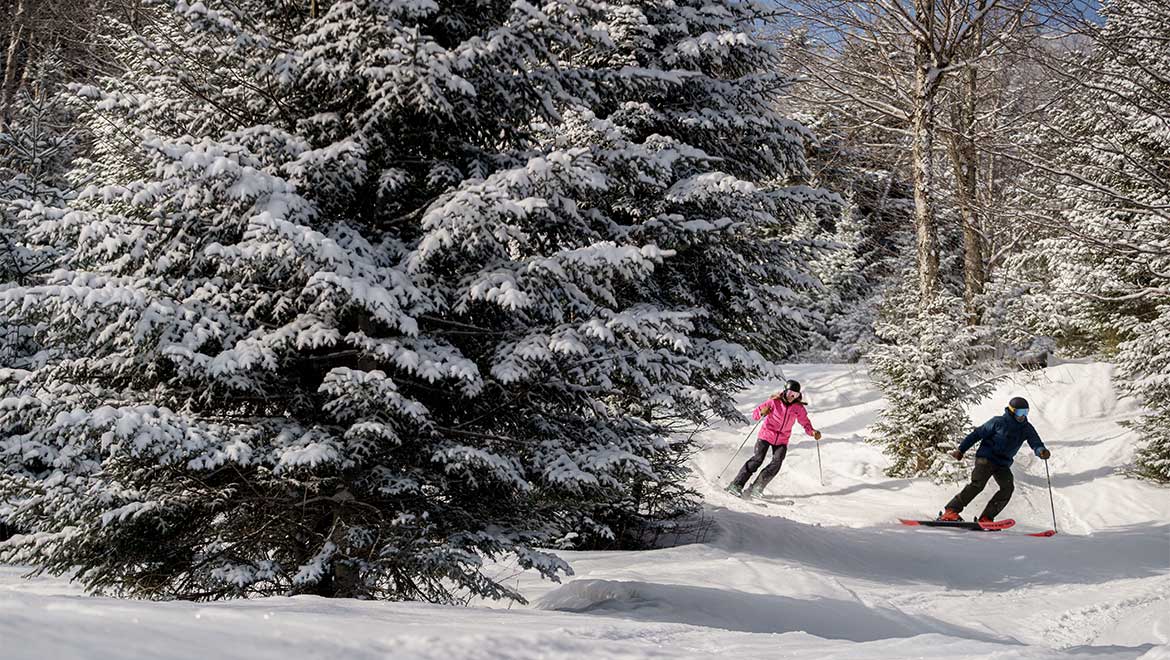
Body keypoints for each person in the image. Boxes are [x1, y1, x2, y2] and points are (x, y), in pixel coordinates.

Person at [938, 396, 1051, 522]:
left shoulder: (1026, 428)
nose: (1022, 416)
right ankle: (951, 510)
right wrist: (961, 450)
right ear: (1012, 411)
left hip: (1003, 464)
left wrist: (1041, 451)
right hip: (986, 458)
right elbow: (977, 434)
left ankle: (986, 517)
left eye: (1025, 412)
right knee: (977, 484)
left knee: (1007, 488)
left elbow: (1036, 443)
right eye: (1020, 412)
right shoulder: (998, 422)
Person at [726, 379, 822, 497]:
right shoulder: (774, 402)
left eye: (795, 394)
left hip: (782, 439)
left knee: (777, 462)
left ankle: (757, 487)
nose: (792, 396)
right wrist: (762, 412)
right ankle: (736, 484)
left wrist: (812, 432)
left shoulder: (798, 408)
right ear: (785, 391)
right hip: (766, 435)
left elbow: (805, 422)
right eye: (790, 393)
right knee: (757, 459)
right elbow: (755, 414)